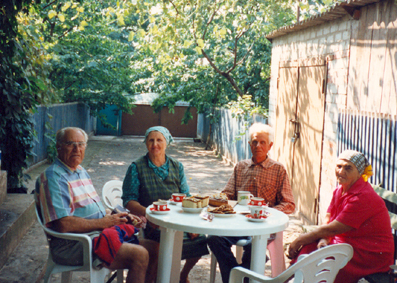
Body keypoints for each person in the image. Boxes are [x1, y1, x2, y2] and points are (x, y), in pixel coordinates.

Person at [35, 127, 158, 283]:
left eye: (81, 144)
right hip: (74, 244)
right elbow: (62, 224)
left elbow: (94, 211)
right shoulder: (54, 177)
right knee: (139, 254)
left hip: (98, 235)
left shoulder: (80, 171)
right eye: (70, 144)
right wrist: (103, 223)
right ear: (58, 146)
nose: (76, 149)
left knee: (155, 249)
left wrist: (119, 215)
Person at [207, 122, 295, 283]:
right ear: (249, 144)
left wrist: (268, 213)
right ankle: (236, 275)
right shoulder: (240, 167)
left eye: (262, 142)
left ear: (270, 146)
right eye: (254, 142)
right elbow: (227, 194)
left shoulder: (278, 169)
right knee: (213, 238)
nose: (258, 146)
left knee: (255, 247)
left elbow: (289, 203)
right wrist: (216, 200)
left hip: (262, 226)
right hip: (237, 224)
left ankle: (236, 278)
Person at [288, 150, 394, 283]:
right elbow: (329, 217)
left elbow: (334, 229)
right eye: (339, 166)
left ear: (360, 173)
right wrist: (324, 239)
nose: (341, 171)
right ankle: (290, 279)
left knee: (321, 265)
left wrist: (300, 239)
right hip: (346, 245)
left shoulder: (363, 196)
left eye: (348, 168)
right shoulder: (340, 190)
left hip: (367, 254)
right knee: (308, 249)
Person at [122, 126, 209, 283]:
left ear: (167, 142)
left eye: (159, 140)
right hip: (153, 223)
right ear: (145, 143)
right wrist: (150, 215)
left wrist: (190, 223)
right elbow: (129, 200)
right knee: (163, 244)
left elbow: (186, 196)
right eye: (151, 140)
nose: (155, 144)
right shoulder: (136, 167)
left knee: (200, 240)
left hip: (178, 220)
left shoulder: (177, 166)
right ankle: (159, 277)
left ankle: (182, 275)